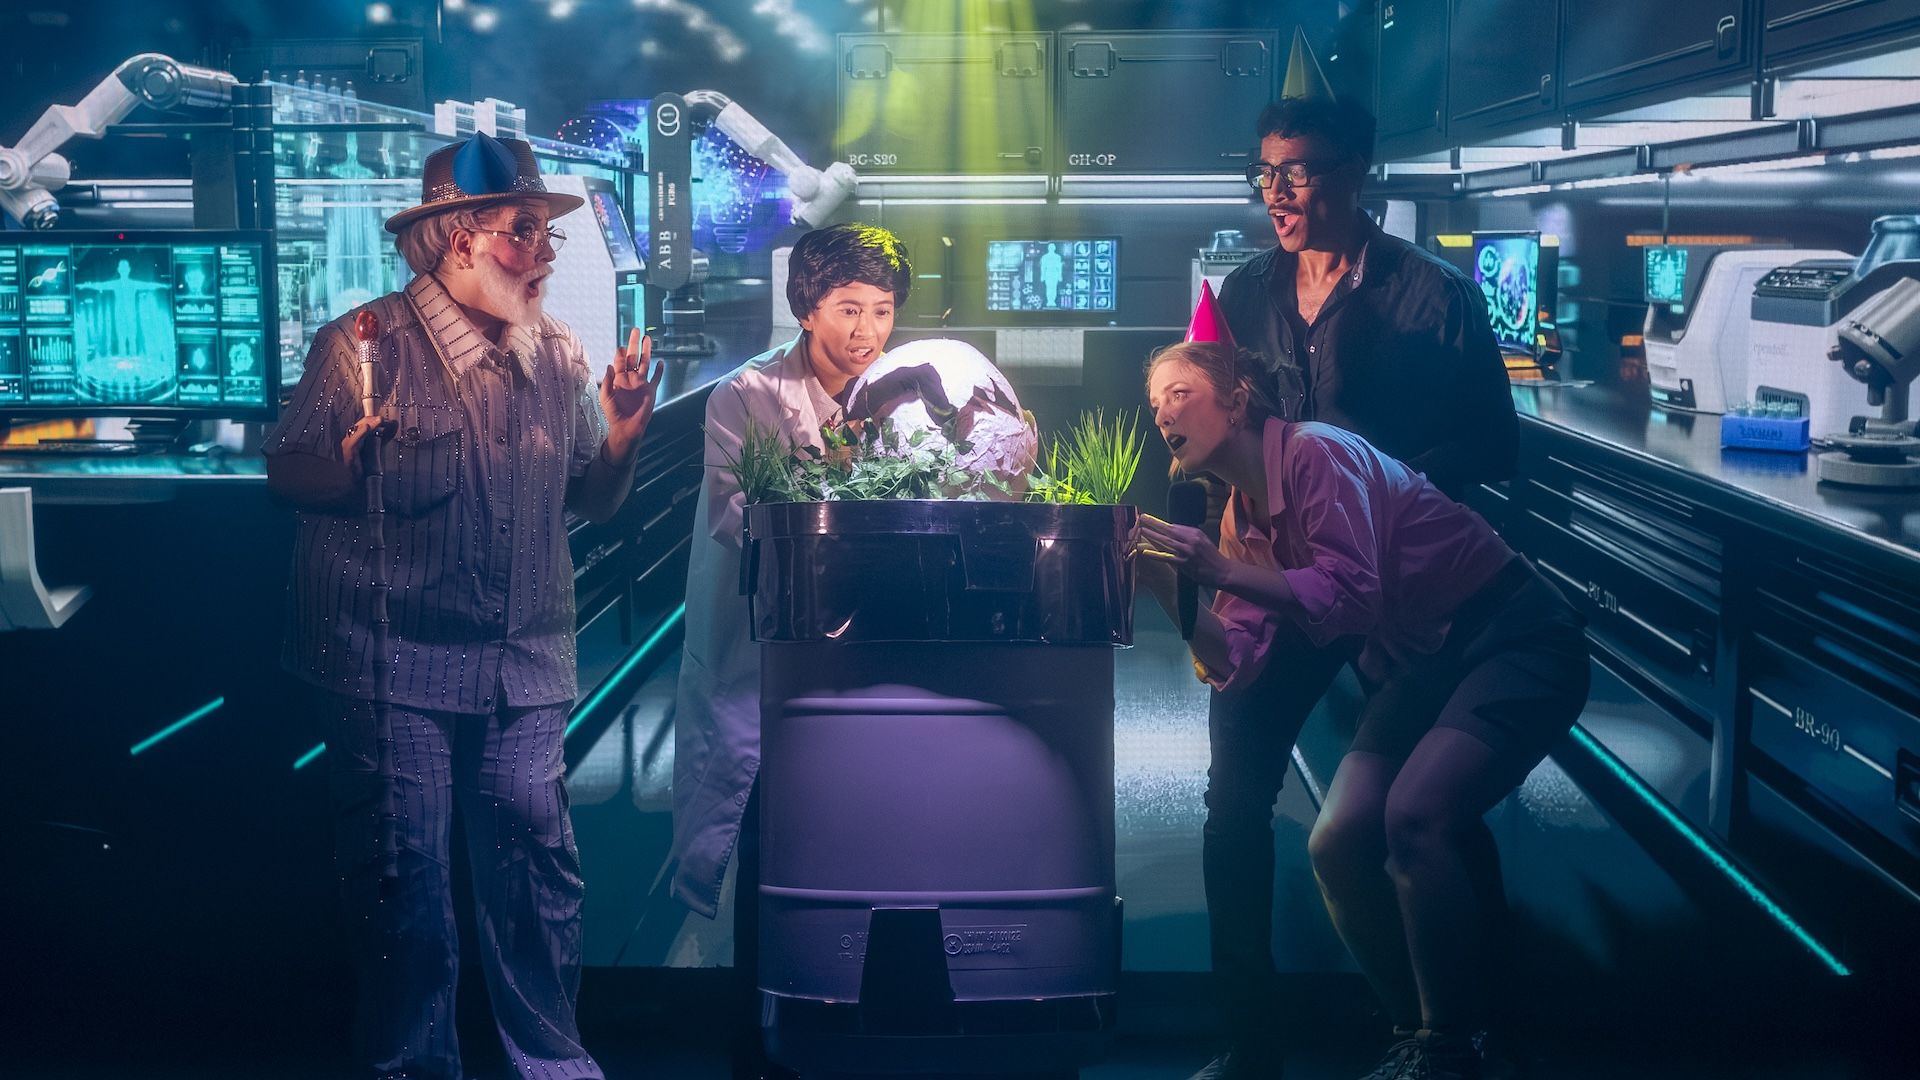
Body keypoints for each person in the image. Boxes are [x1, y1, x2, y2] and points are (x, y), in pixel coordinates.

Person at [263, 131, 661, 1080]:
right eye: (527, 232)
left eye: (548, 236)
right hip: (385, 659)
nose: (547, 252)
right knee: (405, 883)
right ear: (459, 240)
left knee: (539, 878)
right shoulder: (364, 345)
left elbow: (590, 499)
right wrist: (343, 465)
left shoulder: (560, 351)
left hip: (523, 657)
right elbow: (288, 472)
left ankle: (553, 1064)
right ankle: (411, 1067)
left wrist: (624, 432)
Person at [1135, 339, 1588, 1080]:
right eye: (1154, 403)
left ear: (1239, 397)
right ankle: (1423, 1032)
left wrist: (1219, 571)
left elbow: (1352, 595)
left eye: (1178, 394)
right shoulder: (1244, 521)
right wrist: (1167, 591)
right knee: (1338, 842)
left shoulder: (1315, 455)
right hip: (1429, 658)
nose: (1162, 414)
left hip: (1514, 635)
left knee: (1415, 816)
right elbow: (1238, 666)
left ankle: (1447, 1046)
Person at [1192, 83, 1521, 1080]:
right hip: (1274, 583)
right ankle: (1249, 1046)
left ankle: (1467, 1022)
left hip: (1392, 594)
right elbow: (1211, 434)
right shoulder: (1242, 292)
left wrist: (1390, 573)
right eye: (1266, 173)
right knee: (1234, 806)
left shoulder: (1436, 299)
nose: (1276, 192)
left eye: (1297, 172)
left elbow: (1487, 452)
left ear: (1357, 174)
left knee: (1434, 816)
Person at [670, 222, 912, 1079]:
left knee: (856, 850)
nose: (867, 331)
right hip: (762, 656)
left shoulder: (906, 390)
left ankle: (845, 1030)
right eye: (848, 308)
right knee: (767, 848)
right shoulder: (746, 396)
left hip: (862, 661)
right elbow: (740, 521)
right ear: (807, 307)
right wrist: (842, 496)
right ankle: (756, 1045)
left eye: (882, 310)